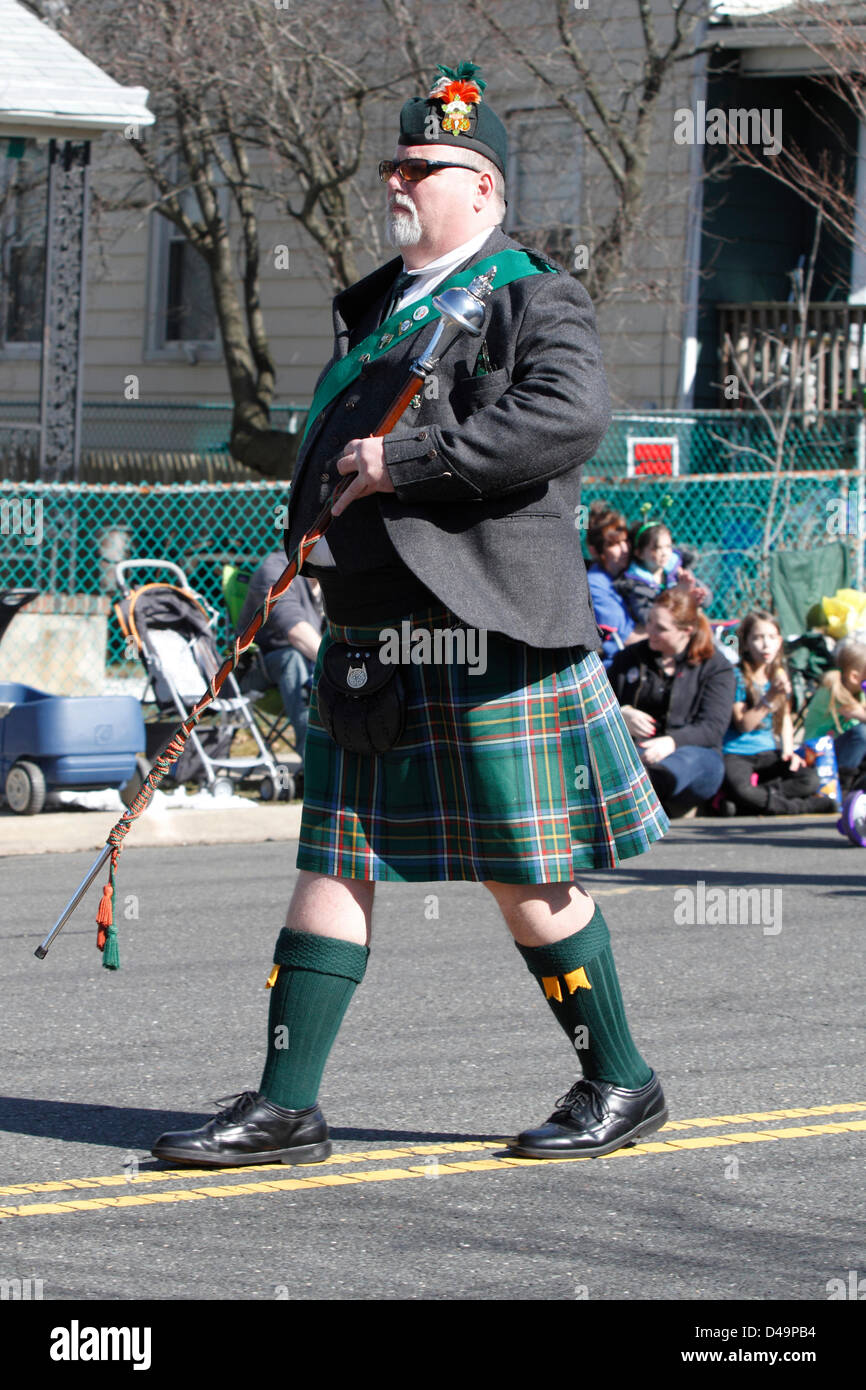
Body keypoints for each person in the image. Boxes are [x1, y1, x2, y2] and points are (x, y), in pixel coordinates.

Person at [152, 59, 670, 1170]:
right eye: (393, 162)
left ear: (479, 188)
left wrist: (408, 458)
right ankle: (287, 1107)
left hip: (488, 632)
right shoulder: (382, 304)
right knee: (333, 861)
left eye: (421, 166)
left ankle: (621, 1080)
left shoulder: (532, 290)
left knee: (526, 877)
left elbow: (564, 422)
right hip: (370, 632)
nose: (398, 179)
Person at [608, 589, 736, 813]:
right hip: (635, 752)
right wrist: (621, 714)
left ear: (686, 631)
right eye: (649, 623)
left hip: (691, 758)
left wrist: (672, 742)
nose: (650, 631)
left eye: (661, 629)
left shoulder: (716, 666)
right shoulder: (629, 658)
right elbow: (597, 707)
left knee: (688, 761)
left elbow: (712, 728)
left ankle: (642, 790)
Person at [721, 610, 835, 815]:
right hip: (738, 752)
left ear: (780, 641)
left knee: (809, 780)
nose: (766, 645)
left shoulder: (779, 673)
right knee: (742, 789)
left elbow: (785, 718)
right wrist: (770, 697)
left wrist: (789, 751)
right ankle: (804, 807)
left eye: (772, 637)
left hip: (768, 752)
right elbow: (743, 724)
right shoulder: (736, 675)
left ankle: (749, 803)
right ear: (745, 643)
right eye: (757, 638)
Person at [235, 554, 323, 767]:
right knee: (292, 659)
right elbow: (295, 631)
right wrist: (339, 667)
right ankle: (315, 767)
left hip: (310, 666)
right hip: (258, 669)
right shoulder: (275, 570)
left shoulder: (333, 575)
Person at [615, 516, 710, 633]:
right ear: (639, 553)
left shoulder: (679, 570)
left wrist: (695, 597)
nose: (664, 553)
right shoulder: (635, 584)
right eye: (657, 548)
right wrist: (678, 594)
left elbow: (707, 599)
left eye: (668, 546)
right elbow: (648, 618)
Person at [798, 636, 866, 792]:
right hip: (816, 754)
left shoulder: (858, 692)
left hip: (838, 752)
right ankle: (842, 785)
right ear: (854, 677)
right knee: (862, 733)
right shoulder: (833, 691)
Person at [585, 502, 636, 667]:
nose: (625, 549)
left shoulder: (630, 573)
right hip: (618, 666)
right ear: (595, 551)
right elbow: (625, 638)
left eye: (626, 541)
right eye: (614, 544)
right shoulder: (595, 583)